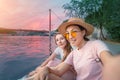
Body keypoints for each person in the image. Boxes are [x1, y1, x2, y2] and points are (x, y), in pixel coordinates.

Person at [32, 17, 120, 80]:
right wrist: (46, 69)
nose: (70, 37)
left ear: (83, 32)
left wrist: (114, 65)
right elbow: (58, 70)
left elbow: (109, 60)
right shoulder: (73, 54)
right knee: (47, 76)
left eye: (74, 32)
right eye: (67, 34)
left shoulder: (95, 45)